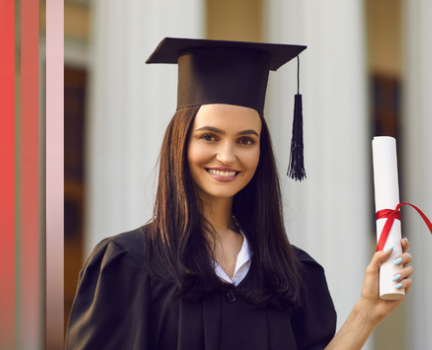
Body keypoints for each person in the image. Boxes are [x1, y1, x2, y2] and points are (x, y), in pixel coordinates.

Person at [65, 38, 414, 350]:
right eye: (209, 137)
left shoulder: (294, 272)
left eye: (246, 140)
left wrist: (368, 311)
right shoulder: (129, 264)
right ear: (180, 143)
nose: (228, 156)